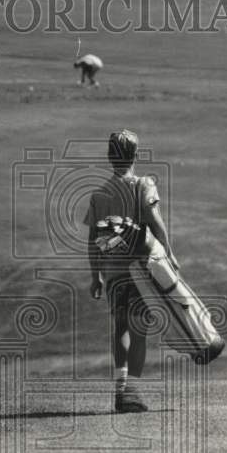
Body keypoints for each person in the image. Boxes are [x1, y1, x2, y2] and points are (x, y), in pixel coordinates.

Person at [84, 129, 180, 413]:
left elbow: (93, 241)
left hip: (113, 273)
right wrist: (170, 251)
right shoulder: (144, 185)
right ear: (135, 156)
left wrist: (95, 276)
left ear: (109, 156)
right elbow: (154, 220)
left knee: (121, 326)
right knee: (140, 330)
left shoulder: (99, 195)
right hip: (141, 269)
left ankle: (120, 387)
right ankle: (132, 393)